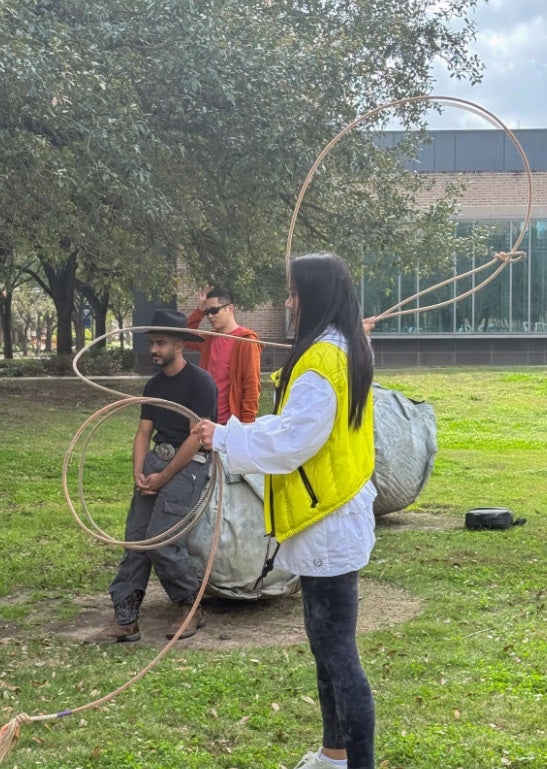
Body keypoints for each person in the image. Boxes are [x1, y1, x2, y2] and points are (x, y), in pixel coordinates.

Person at [193, 253, 377, 769]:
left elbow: (293, 438)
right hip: (333, 517)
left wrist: (223, 435)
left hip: (330, 522)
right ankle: (334, 754)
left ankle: (355, 763)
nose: (289, 302)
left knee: (339, 657)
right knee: (328, 650)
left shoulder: (323, 361)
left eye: (295, 293)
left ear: (315, 296)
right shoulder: (343, 347)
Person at [91, 309, 218, 643]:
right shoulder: (154, 385)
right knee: (136, 541)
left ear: (179, 344)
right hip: (156, 462)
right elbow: (143, 432)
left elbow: (197, 437)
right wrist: (140, 470)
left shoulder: (200, 383)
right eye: (152, 343)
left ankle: (191, 606)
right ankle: (126, 618)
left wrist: (164, 476)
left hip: (189, 466)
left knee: (161, 541)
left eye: (160, 343)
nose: (154, 350)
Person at [186, 287, 261, 423]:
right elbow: (184, 337)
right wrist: (199, 311)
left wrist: (247, 423)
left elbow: (252, 385)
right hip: (205, 419)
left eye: (214, 311)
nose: (209, 316)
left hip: (230, 423)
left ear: (230, 308)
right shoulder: (209, 338)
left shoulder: (246, 340)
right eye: (207, 312)